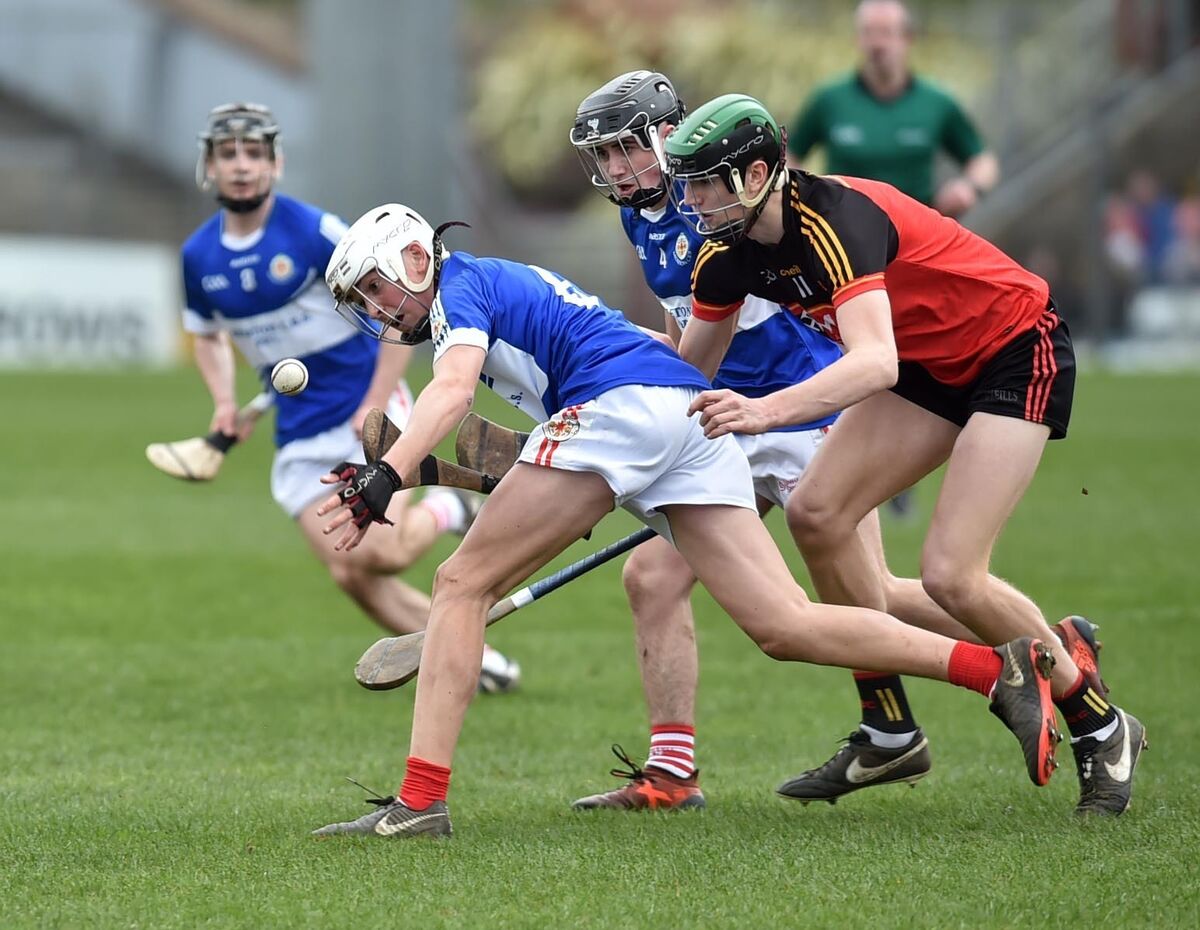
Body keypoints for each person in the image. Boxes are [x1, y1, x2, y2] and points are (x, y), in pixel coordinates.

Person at [310, 201, 1063, 839]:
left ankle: (419, 802)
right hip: (682, 412)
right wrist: (423, 468)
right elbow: (519, 445)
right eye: (365, 301)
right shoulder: (491, 287)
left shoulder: (459, 289)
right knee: (786, 625)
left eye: (379, 288)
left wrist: (388, 475)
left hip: (621, 408)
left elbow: (448, 394)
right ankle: (996, 670)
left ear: (416, 255)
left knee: (459, 582)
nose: (379, 309)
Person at [566, 70, 1086, 810]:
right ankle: (674, 773)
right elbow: (691, 350)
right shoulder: (649, 217)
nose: (619, 170)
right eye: (605, 156)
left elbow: (835, 344)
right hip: (736, 419)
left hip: (807, 407)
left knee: (885, 595)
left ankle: (1036, 657)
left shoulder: (733, 210)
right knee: (652, 577)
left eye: (628, 150)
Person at [181, 102, 519, 692]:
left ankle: (447, 507)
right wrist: (223, 403)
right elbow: (207, 335)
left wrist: (378, 398)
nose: (241, 167)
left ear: (276, 163)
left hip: (367, 412)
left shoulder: (314, 232)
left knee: (380, 557)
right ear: (208, 166)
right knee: (350, 572)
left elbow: (392, 314)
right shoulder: (198, 257)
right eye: (228, 154)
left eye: (254, 154)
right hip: (299, 432)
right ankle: (480, 659)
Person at [789, 0, 1000, 517]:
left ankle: (894, 469)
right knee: (857, 352)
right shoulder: (831, 101)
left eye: (886, 32)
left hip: (918, 259)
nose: (876, 42)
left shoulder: (935, 104)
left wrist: (969, 186)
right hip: (845, 255)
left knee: (913, 355)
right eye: (868, 32)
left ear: (907, 38)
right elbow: (785, 159)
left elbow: (983, 159)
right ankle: (845, 457)